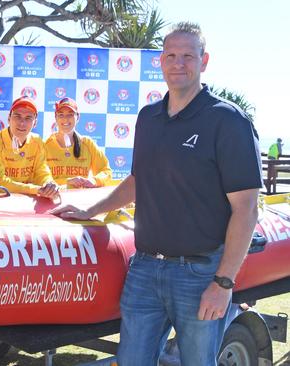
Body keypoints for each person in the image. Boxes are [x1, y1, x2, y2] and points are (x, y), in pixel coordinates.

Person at [50, 22, 261, 365]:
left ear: (204, 61)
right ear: (160, 61)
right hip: (145, 268)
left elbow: (246, 209)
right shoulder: (148, 117)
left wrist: (223, 283)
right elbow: (137, 180)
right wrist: (93, 210)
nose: (179, 63)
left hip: (199, 274)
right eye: (172, 56)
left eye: (188, 56)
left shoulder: (227, 120)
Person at [0, 96, 58, 199]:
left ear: (35, 123)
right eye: (17, 116)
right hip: (2, 200)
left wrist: (49, 184)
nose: (22, 123)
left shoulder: (37, 141)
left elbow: (42, 172)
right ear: (9, 118)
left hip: (29, 201)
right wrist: (35, 189)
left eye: (28, 118)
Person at [44, 97, 112, 188]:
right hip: (54, 199)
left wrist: (94, 180)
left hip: (80, 199)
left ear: (78, 117)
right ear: (55, 118)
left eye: (70, 115)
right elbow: (39, 180)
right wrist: (67, 182)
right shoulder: (46, 146)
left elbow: (106, 171)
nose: (65, 119)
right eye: (61, 115)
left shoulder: (87, 143)